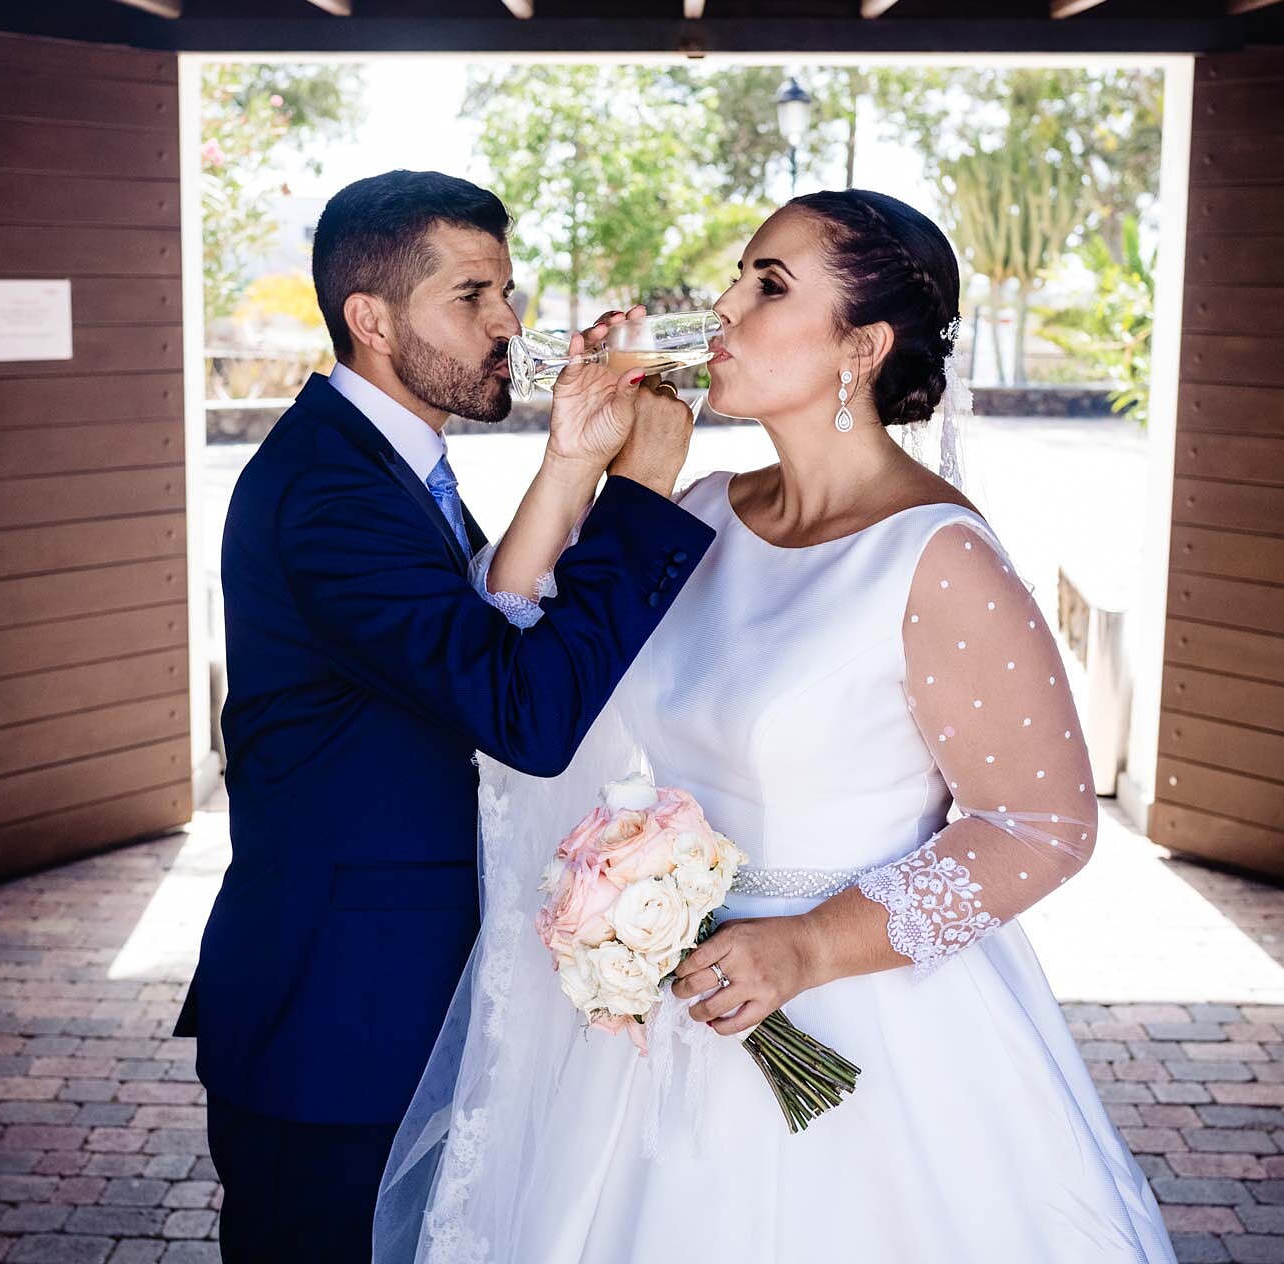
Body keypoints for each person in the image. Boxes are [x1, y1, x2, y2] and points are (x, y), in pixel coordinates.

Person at [376, 189, 1178, 1262]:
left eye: (768, 284)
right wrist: (579, 462)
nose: (723, 305)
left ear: (864, 345)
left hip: (865, 1026)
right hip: (653, 1033)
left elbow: (1042, 822)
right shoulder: (700, 510)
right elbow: (510, 646)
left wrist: (807, 945)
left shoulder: (938, 553)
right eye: (737, 276)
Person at [172, 169, 715, 1262]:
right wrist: (642, 497)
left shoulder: (391, 463)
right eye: (472, 296)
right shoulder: (333, 493)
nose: (508, 322)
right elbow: (519, 705)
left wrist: (573, 456)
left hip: (394, 999)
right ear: (371, 319)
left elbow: (480, 624)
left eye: (506, 291)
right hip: (334, 1019)